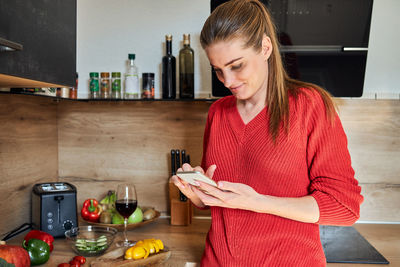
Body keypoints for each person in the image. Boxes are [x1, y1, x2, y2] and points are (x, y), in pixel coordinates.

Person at [171, 0, 363, 266]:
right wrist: (197, 191)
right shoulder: (218, 112)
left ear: (265, 48)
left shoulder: (310, 105)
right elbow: (219, 202)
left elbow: (344, 207)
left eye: (237, 65)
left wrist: (257, 202)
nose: (227, 81)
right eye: (218, 70)